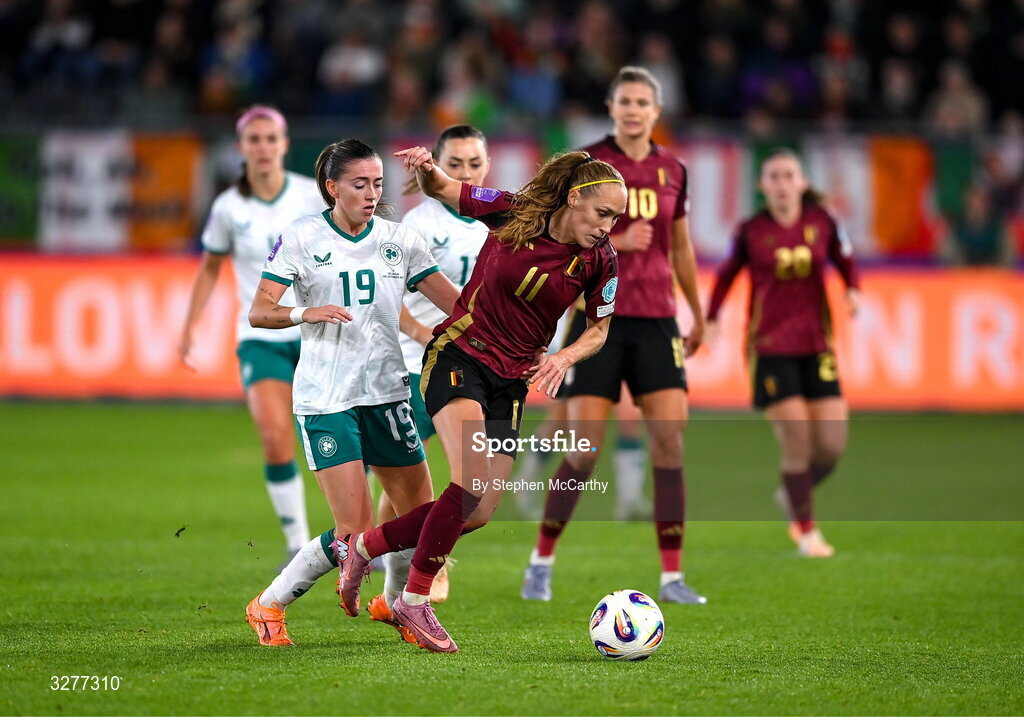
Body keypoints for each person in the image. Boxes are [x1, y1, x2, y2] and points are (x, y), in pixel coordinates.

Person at [335, 145, 627, 653]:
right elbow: (445, 189)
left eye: (616, 218)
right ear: (574, 198)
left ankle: (364, 547)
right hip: (460, 356)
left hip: (510, 383)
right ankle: (414, 598)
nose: (608, 226)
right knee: (468, 483)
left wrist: (563, 358)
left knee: (479, 510)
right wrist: (428, 171)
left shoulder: (601, 261)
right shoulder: (513, 211)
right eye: (603, 213)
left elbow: (600, 328)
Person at [242, 139, 460, 646]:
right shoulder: (300, 238)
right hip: (327, 401)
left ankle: (394, 603)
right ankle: (269, 604)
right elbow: (259, 311)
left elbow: (454, 304)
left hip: (387, 393)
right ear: (332, 187)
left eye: (377, 183)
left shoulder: (399, 240)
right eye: (359, 184)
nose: (370, 193)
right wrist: (305, 312)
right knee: (352, 533)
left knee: (416, 515)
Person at [520, 66, 706, 605]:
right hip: (598, 319)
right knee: (583, 451)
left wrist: (699, 313)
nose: (632, 109)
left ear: (656, 110)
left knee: (670, 443)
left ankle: (672, 577)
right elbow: (561, 237)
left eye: (642, 101)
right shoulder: (587, 167)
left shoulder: (674, 170)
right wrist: (620, 237)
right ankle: (541, 561)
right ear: (611, 106)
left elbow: (683, 247)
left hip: (657, 320)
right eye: (624, 100)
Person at [179, 106, 324, 566]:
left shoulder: (310, 197)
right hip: (259, 336)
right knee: (276, 437)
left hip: (315, 332)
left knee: (347, 437)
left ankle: (360, 538)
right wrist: (189, 327)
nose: (262, 147)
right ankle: (297, 544)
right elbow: (208, 270)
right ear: (241, 148)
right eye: (254, 140)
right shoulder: (228, 207)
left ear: (284, 144)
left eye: (270, 139)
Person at [704, 148, 861, 558]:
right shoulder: (750, 231)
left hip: (817, 344)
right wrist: (713, 316)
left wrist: (853, 290)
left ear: (802, 183)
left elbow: (844, 259)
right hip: (770, 347)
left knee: (831, 448)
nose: (781, 183)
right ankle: (807, 533)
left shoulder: (822, 221)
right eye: (773, 176)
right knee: (798, 441)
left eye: (788, 175)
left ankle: (792, 494)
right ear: (762, 186)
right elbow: (725, 275)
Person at [374, 124, 492, 607]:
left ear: (487, 167)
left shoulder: (494, 223)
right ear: (440, 166)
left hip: (467, 363)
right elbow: (390, 300)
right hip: (410, 366)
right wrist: (427, 337)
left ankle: (391, 577)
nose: (466, 172)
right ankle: (429, 565)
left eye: (475, 164)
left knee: (416, 474)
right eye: (456, 164)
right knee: (409, 472)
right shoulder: (420, 225)